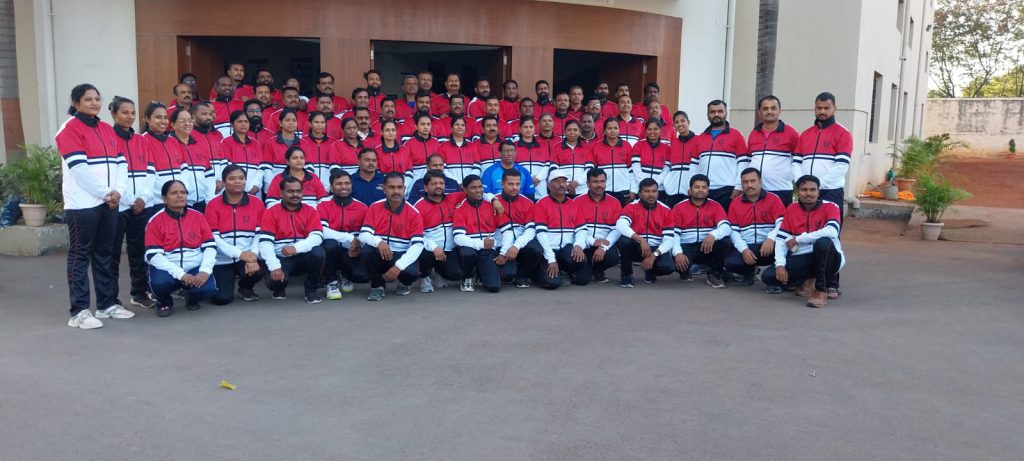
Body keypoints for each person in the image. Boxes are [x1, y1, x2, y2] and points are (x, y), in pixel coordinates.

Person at [57, 84, 133, 329]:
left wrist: (118, 191)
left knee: (104, 253)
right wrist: (105, 193)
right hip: (83, 204)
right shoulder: (69, 129)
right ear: (76, 103)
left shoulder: (106, 129)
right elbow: (79, 169)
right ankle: (79, 311)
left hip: (109, 202)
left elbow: (122, 163)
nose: (94, 103)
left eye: (97, 99)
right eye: (88, 99)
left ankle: (106, 304)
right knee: (80, 255)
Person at [760, 175, 845, 307]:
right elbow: (781, 239)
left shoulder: (831, 206)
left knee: (823, 241)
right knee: (768, 276)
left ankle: (821, 290)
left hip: (830, 258)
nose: (808, 193)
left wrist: (799, 239)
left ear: (818, 191)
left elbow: (832, 231)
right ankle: (807, 280)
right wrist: (780, 265)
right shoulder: (792, 208)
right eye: (804, 190)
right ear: (797, 192)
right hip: (804, 257)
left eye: (812, 190)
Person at [109, 96, 157, 309]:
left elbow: (151, 171)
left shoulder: (142, 140)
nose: (130, 117)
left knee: (139, 252)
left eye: (132, 113)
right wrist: (129, 200)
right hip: (118, 206)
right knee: (112, 254)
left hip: (140, 205)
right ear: (113, 114)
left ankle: (139, 293)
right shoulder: (108, 138)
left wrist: (144, 198)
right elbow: (110, 175)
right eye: (124, 112)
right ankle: (110, 298)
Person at [145, 180, 218, 317]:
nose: (180, 196)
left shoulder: (198, 216)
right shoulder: (155, 221)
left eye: (183, 192)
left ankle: (191, 298)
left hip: (194, 266)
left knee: (208, 288)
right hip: (168, 268)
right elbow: (153, 256)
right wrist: (181, 274)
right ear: (164, 199)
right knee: (160, 283)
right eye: (174, 193)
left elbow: (210, 247)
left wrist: (205, 270)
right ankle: (164, 302)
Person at [358, 172, 425, 301]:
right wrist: (379, 242)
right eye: (391, 187)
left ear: (404, 189)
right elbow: (363, 234)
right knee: (367, 251)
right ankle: (377, 286)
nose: (396, 191)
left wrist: (398, 266)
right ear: (384, 189)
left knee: (411, 272)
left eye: (399, 187)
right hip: (381, 253)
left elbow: (417, 245)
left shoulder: (414, 213)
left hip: (401, 254)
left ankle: (404, 283)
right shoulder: (375, 207)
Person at [258, 176, 326, 303]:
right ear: (281, 193)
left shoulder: (310, 211)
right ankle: (279, 289)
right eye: (290, 191)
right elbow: (265, 243)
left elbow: (317, 237)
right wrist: (274, 266)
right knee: (275, 282)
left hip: (302, 255)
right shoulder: (271, 212)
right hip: (280, 257)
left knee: (319, 252)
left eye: (298, 191)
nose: (295, 194)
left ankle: (311, 291)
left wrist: (296, 248)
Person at [205, 165, 264, 305]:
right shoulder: (213, 204)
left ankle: (245, 288)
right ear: (224, 182)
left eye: (241, 178)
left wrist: (253, 255)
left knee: (256, 272)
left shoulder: (257, 203)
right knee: (221, 299)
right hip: (222, 259)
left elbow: (260, 233)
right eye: (232, 179)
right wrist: (239, 254)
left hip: (248, 255)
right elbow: (213, 237)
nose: (237, 182)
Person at [795, 92, 852, 220]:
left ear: (835, 109)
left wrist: (817, 186)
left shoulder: (843, 133)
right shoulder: (805, 134)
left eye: (827, 108)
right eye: (819, 108)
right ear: (814, 109)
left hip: (831, 191)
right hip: (806, 193)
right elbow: (796, 163)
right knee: (806, 227)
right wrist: (802, 184)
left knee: (830, 229)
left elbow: (841, 166)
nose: (822, 111)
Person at [726, 168, 786, 286]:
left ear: (760, 181)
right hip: (748, 246)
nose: (749, 185)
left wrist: (771, 238)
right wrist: (744, 249)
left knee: (788, 252)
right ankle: (749, 271)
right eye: (745, 182)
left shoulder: (773, 199)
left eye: (753, 181)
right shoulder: (735, 203)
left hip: (770, 245)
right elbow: (733, 231)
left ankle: (774, 280)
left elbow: (782, 223)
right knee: (730, 263)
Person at [670, 174, 732, 288]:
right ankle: (684, 272)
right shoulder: (679, 207)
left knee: (724, 240)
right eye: (697, 187)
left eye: (704, 187)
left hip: (707, 246)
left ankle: (714, 273)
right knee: (675, 260)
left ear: (708, 190)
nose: (700, 190)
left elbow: (726, 226)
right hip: (687, 247)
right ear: (690, 190)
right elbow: (674, 234)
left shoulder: (715, 206)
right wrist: (678, 253)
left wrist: (713, 235)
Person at [318, 169, 370, 300]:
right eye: (339, 184)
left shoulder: (362, 207)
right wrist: (349, 237)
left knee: (362, 277)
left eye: (347, 183)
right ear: (331, 187)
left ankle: (345, 275)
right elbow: (322, 230)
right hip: (332, 248)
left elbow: (367, 232)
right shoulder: (323, 204)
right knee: (330, 244)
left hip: (351, 250)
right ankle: (332, 281)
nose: (344, 187)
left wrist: (359, 245)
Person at [413, 170, 467, 293]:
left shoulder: (453, 198)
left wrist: (493, 200)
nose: (438, 186)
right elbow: (416, 235)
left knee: (456, 274)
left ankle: (439, 272)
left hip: (450, 249)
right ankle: (424, 277)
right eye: (434, 183)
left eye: (441, 183)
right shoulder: (418, 207)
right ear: (426, 188)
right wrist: (434, 247)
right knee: (421, 252)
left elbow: (474, 192)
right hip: (430, 249)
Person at [616, 178, 675, 288]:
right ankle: (626, 275)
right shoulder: (631, 206)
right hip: (637, 247)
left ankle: (650, 271)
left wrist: (654, 255)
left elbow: (669, 240)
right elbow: (620, 225)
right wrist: (641, 240)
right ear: (639, 193)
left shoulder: (666, 210)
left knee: (668, 267)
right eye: (647, 191)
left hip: (655, 248)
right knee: (624, 241)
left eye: (654, 191)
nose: (651, 194)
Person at [692, 100, 748, 212]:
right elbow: (694, 165)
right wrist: (692, 185)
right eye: (712, 112)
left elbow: (743, 163)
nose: (716, 114)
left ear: (726, 113)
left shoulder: (736, 135)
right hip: (704, 190)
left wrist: (739, 186)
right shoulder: (700, 138)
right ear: (708, 114)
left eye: (720, 111)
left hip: (727, 190)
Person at [532, 171, 585, 289]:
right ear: (548, 186)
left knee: (582, 274)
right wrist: (551, 259)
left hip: (566, 248)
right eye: (557, 182)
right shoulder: (541, 204)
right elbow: (541, 234)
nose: (561, 185)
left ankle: (563, 271)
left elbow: (582, 229)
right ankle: (536, 272)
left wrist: (578, 245)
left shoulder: (574, 204)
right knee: (553, 283)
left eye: (564, 181)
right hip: (548, 249)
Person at [746, 95, 801, 207]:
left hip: (781, 190)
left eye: (773, 108)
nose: (769, 111)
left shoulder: (791, 133)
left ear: (780, 111)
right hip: (758, 191)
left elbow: (799, 161)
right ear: (759, 112)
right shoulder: (754, 133)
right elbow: (749, 161)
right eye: (765, 109)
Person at [573, 168, 623, 285]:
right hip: (584, 243)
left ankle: (597, 270)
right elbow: (574, 228)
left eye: (602, 181)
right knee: (581, 280)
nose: (599, 185)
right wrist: (592, 241)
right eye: (595, 182)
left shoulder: (614, 202)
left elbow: (617, 229)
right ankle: (580, 270)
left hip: (603, 244)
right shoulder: (577, 201)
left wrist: (603, 247)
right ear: (587, 184)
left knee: (613, 257)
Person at [453, 175, 502, 293]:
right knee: (468, 253)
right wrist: (481, 244)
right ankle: (468, 277)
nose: (478, 190)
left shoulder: (491, 205)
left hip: (488, 249)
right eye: (473, 187)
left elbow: (500, 230)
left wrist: (497, 246)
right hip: (470, 247)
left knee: (494, 287)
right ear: (465, 190)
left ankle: (480, 273)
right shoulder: (460, 208)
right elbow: (458, 237)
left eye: (480, 187)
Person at [493, 169, 541, 288]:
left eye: (517, 184)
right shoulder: (493, 201)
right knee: (507, 275)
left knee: (536, 249)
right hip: (502, 243)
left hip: (521, 243)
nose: (515, 187)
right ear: (502, 184)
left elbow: (531, 230)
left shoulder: (528, 202)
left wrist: (516, 246)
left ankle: (522, 275)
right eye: (511, 184)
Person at [142, 102, 184, 213]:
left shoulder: (173, 141)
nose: (163, 121)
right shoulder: (142, 141)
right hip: (156, 202)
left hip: (177, 201)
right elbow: (146, 176)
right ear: (147, 119)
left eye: (166, 117)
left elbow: (181, 169)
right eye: (158, 117)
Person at [171, 109, 215, 212]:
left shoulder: (199, 145)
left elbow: (209, 175)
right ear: (173, 124)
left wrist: (209, 199)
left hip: (202, 203)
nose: (187, 124)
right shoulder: (169, 145)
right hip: (181, 204)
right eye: (182, 121)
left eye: (190, 120)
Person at [588, 118, 638, 206]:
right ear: (604, 131)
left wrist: (633, 190)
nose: (613, 131)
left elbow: (632, 171)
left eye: (615, 128)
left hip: (623, 191)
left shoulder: (626, 146)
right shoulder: (596, 147)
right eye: (609, 128)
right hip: (603, 191)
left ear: (619, 130)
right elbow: (592, 171)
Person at [219, 110, 262, 196]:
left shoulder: (256, 143)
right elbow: (226, 167)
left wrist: (256, 185)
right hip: (234, 188)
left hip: (254, 189)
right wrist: (243, 185)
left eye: (246, 121)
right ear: (232, 124)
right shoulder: (226, 142)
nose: (243, 124)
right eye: (240, 122)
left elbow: (260, 167)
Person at [261, 108, 302, 193]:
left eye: (294, 120)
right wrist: (273, 186)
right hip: (274, 187)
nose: (291, 123)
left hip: (298, 188)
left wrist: (299, 185)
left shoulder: (304, 143)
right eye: (287, 120)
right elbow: (266, 168)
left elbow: (308, 168)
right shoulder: (270, 142)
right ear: (280, 123)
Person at [661, 110, 696, 207]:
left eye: (682, 121)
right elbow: (668, 166)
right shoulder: (673, 144)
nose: (679, 124)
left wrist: (692, 186)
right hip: (672, 191)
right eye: (676, 122)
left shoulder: (698, 141)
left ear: (688, 122)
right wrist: (667, 184)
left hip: (689, 191)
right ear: (673, 126)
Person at [551, 119, 590, 197]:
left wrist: (577, 182)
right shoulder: (556, 147)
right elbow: (554, 168)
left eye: (575, 130)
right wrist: (566, 184)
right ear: (564, 132)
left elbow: (589, 168)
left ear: (579, 132)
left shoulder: (587, 147)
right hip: (563, 190)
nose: (572, 132)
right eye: (569, 130)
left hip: (582, 190)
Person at [513, 117, 551, 198]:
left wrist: (538, 178)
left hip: (540, 189)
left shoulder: (543, 146)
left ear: (535, 129)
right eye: (525, 127)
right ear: (520, 129)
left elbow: (548, 165)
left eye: (531, 127)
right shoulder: (514, 146)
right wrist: (528, 179)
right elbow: (513, 166)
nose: (528, 129)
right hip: (521, 188)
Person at [299, 111, 337, 191]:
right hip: (306, 186)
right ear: (310, 124)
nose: (320, 125)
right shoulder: (302, 142)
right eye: (316, 122)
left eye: (322, 122)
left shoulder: (333, 143)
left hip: (328, 187)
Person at [438, 116, 479, 184]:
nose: (460, 127)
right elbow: (443, 169)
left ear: (465, 129)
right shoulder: (443, 146)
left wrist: (467, 182)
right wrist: (458, 182)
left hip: (470, 185)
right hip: (451, 184)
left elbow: (477, 167)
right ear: (451, 128)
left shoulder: (472, 146)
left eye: (462, 125)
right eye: (457, 124)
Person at [632, 119, 670, 188]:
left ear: (660, 130)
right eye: (649, 129)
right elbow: (636, 167)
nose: (652, 132)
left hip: (659, 188)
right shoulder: (638, 145)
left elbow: (666, 169)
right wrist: (644, 184)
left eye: (655, 129)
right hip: (642, 188)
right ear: (646, 130)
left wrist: (656, 183)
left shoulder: (667, 148)